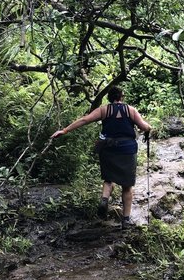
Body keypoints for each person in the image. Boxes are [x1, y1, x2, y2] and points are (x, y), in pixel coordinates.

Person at [51, 86, 151, 229]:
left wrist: (65, 130)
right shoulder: (131, 110)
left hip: (108, 148)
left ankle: (104, 200)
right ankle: (126, 220)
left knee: (108, 178)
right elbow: (143, 127)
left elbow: (85, 120)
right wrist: (149, 128)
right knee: (127, 186)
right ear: (121, 97)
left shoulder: (104, 110)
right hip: (127, 149)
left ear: (109, 98)